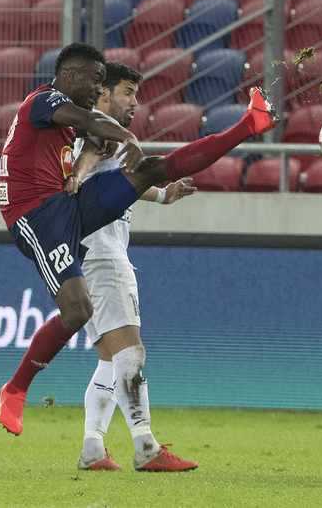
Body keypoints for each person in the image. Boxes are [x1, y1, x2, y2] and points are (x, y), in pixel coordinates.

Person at [0, 43, 277, 460]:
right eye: (97, 82)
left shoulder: (71, 124)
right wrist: (121, 137)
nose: (98, 90)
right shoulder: (44, 101)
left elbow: (89, 144)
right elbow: (87, 123)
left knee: (151, 168)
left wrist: (146, 187)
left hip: (66, 208)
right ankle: (17, 389)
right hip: (35, 216)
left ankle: (248, 125)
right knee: (80, 313)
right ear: (71, 76)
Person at [63, 61, 199, 472]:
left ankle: (92, 448)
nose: (135, 103)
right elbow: (89, 166)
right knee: (130, 354)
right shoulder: (100, 130)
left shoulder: (97, 132)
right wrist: (77, 173)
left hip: (87, 255)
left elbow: (123, 180)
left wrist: (162, 196)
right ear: (103, 92)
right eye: (127, 92)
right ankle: (146, 447)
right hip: (103, 256)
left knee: (109, 360)